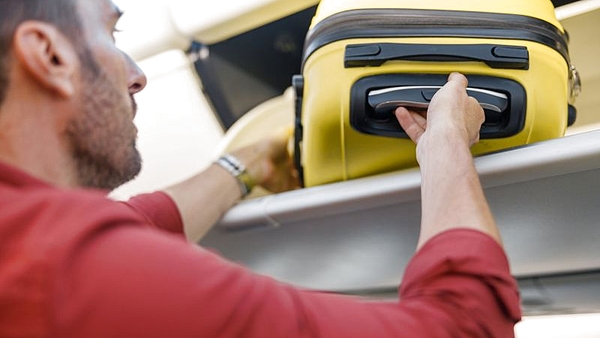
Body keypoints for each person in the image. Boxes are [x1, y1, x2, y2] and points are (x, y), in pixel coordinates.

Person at [0, 0, 521, 337]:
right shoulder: (68, 270)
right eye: (111, 36)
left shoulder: (25, 243)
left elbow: (140, 220)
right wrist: (445, 143)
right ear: (48, 56)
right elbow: (465, 327)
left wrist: (248, 163)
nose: (136, 76)